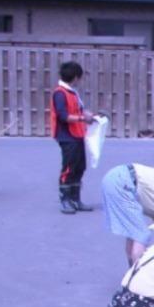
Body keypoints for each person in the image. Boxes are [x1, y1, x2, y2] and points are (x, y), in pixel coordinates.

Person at [50, 61, 96, 214]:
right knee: (68, 168)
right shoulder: (60, 93)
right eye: (80, 78)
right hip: (67, 136)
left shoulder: (72, 92)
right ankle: (65, 200)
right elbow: (63, 116)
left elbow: (78, 110)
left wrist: (89, 115)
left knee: (79, 167)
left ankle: (76, 199)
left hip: (77, 134)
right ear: (75, 78)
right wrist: (83, 119)